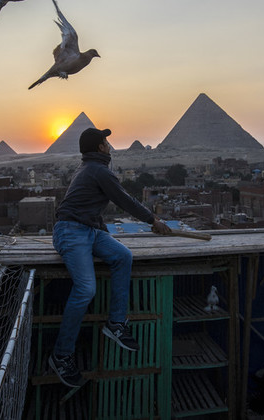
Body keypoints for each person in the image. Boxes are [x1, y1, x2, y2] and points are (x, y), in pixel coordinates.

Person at [48, 127, 172, 387]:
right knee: (85, 289)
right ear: (99, 148)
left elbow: (92, 206)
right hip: (71, 232)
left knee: (123, 256)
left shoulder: (90, 169)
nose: (109, 145)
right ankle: (61, 355)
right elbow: (125, 201)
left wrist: (99, 230)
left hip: (90, 231)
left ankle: (115, 322)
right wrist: (154, 220)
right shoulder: (99, 171)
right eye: (106, 141)